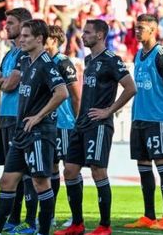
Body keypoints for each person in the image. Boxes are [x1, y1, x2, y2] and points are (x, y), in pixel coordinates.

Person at [0, 19, 69, 235]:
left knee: (40, 182)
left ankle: (42, 231)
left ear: (39, 39)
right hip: (22, 132)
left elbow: (62, 93)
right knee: (7, 180)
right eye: (21, 35)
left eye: (27, 35)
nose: (22, 39)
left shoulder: (46, 64)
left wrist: (39, 116)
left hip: (40, 133)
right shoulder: (26, 62)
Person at [56, 19, 136, 235]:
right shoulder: (89, 59)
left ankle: (104, 226)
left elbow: (131, 88)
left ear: (100, 35)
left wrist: (109, 111)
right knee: (70, 170)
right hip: (81, 123)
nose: (83, 35)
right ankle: (77, 224)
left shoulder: (112, 60)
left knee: (98, 170)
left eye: (88, 32)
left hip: (99, 125)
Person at [124, 14, 163, 230]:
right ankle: (148, 215)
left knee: (162, 163)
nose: (137, 31)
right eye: (136, 28)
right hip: (138, 118)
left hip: (156, 120)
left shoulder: (162, 55)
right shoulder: (138, 54)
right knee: (143, 166)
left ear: (153, 30)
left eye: (142, 28)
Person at [0, 7, 39, 234]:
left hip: (20, 116)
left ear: (23, 24)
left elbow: (7, 84)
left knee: (26, 171)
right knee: (13, 170)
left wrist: (4, 82)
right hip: (6, 116)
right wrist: (5, 81)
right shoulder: (10, 54)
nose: (5, 26)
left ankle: (30, 220)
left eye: (10, 23)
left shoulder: (25, 53)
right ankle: (15, 219)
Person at [44, 25, 81, 227]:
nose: (42, 41)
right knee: (51, 169)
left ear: (55, 41)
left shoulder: (63, 62)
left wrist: (77, 122)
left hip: (65, 123)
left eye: (46, 38)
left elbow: (76, 96)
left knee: (70, 169)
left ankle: (76, 217)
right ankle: (50, 215)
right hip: (49, 124)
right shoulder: (44, 62)